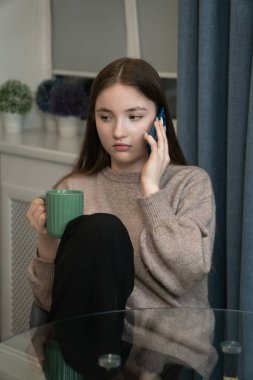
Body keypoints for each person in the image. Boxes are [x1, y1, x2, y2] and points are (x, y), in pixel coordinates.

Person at [26, 57, 217, 379]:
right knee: (100, 229)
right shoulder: (73, 189)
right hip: (95, 352)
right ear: (93, 120)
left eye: (134, 117)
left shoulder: (190, 183)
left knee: (103, 228)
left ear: (159, 119)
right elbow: (52, 304)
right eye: (105, 117)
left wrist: (151, 191)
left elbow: (187, 273)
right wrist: (46, 238)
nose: (118, 131)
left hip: (170, 352)